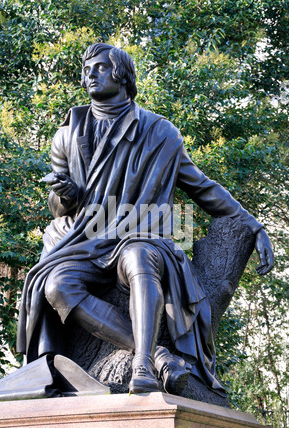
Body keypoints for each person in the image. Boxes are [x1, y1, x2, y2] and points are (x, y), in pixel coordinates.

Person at [16, 43, 274, 395]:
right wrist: (65, 195)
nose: (90, 74)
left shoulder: (159, 132)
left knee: (140, 257)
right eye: (86, 68)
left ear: (122, 74)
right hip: (85, 240)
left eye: (101, 67)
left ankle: (141, 366)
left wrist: (252, 223)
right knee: (56, 285)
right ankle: (155, 354)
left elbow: (200, 186)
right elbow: (59, 208)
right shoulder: (67, 135)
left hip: (140, 233)